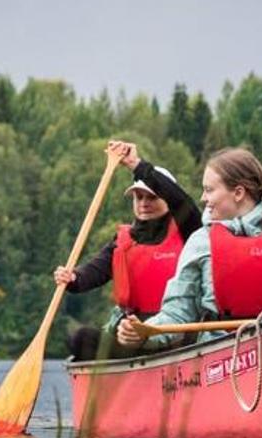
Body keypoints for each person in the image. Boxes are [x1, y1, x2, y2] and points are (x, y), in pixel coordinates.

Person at [116, 146, 262, 351]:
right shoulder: (200, 242)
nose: (203, 198)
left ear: (238, 193)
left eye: (209, 190)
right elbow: (178, 313)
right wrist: (144, 333)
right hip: (218, 357)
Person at [54, 140, 202, 360]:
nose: (144, 203)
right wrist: (73, 277)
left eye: (152, 196)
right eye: (138, 197)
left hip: (177, 333)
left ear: (167, 199)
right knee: (80, 339)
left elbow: (181, 202)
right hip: (132, 333)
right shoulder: (123, 241)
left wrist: (136, 164)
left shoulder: (189, 230)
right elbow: (94, 271)